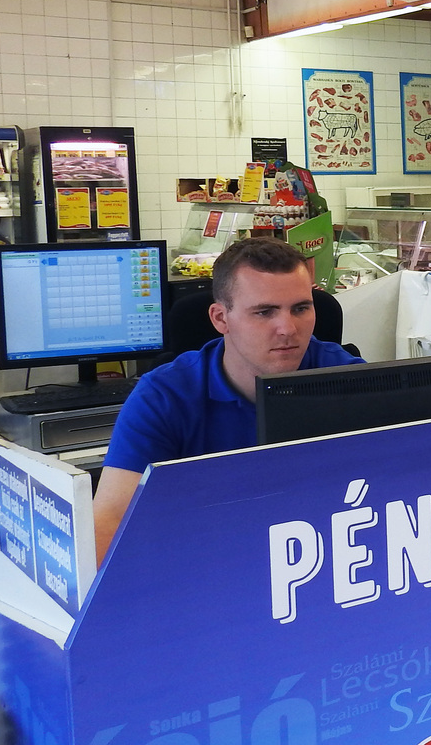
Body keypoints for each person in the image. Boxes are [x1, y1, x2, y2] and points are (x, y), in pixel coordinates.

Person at [94, 237, 362, 561]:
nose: (287, 328)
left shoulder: (350, 380)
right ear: (220, 318)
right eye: (264, 312)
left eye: (301, 309)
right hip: (207, 560)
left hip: (322, 558)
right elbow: (110, 523)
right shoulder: (163, 397)